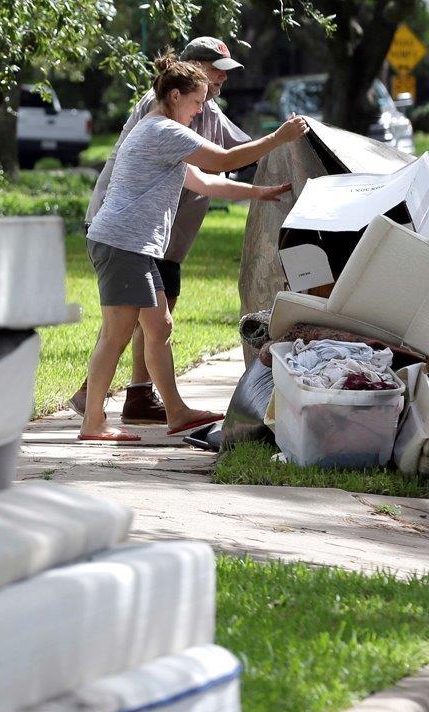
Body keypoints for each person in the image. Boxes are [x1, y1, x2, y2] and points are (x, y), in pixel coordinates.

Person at [78, 54, 308, 442]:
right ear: (174, 96)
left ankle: (176, 411)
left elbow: (208, 183)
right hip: (122, 244)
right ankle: (93, 422)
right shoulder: (163, 132)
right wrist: (278, 138)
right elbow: (225, 159)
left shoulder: (161, 134)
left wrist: (260, 192)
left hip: (135, 246)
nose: (201, 111)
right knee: (115, 336)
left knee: (159, 325)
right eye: (197, 102)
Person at [71, 36, 251, 424]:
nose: (222, 80)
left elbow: (238, 152)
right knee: (126, 321)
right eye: (216, 71)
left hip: (155, 235)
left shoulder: (205, 110)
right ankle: (94, 405)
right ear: (189, 71)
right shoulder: (162, 112)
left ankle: (144, 399)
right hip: (130, 230)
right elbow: (220, 160)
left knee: (153, 319)